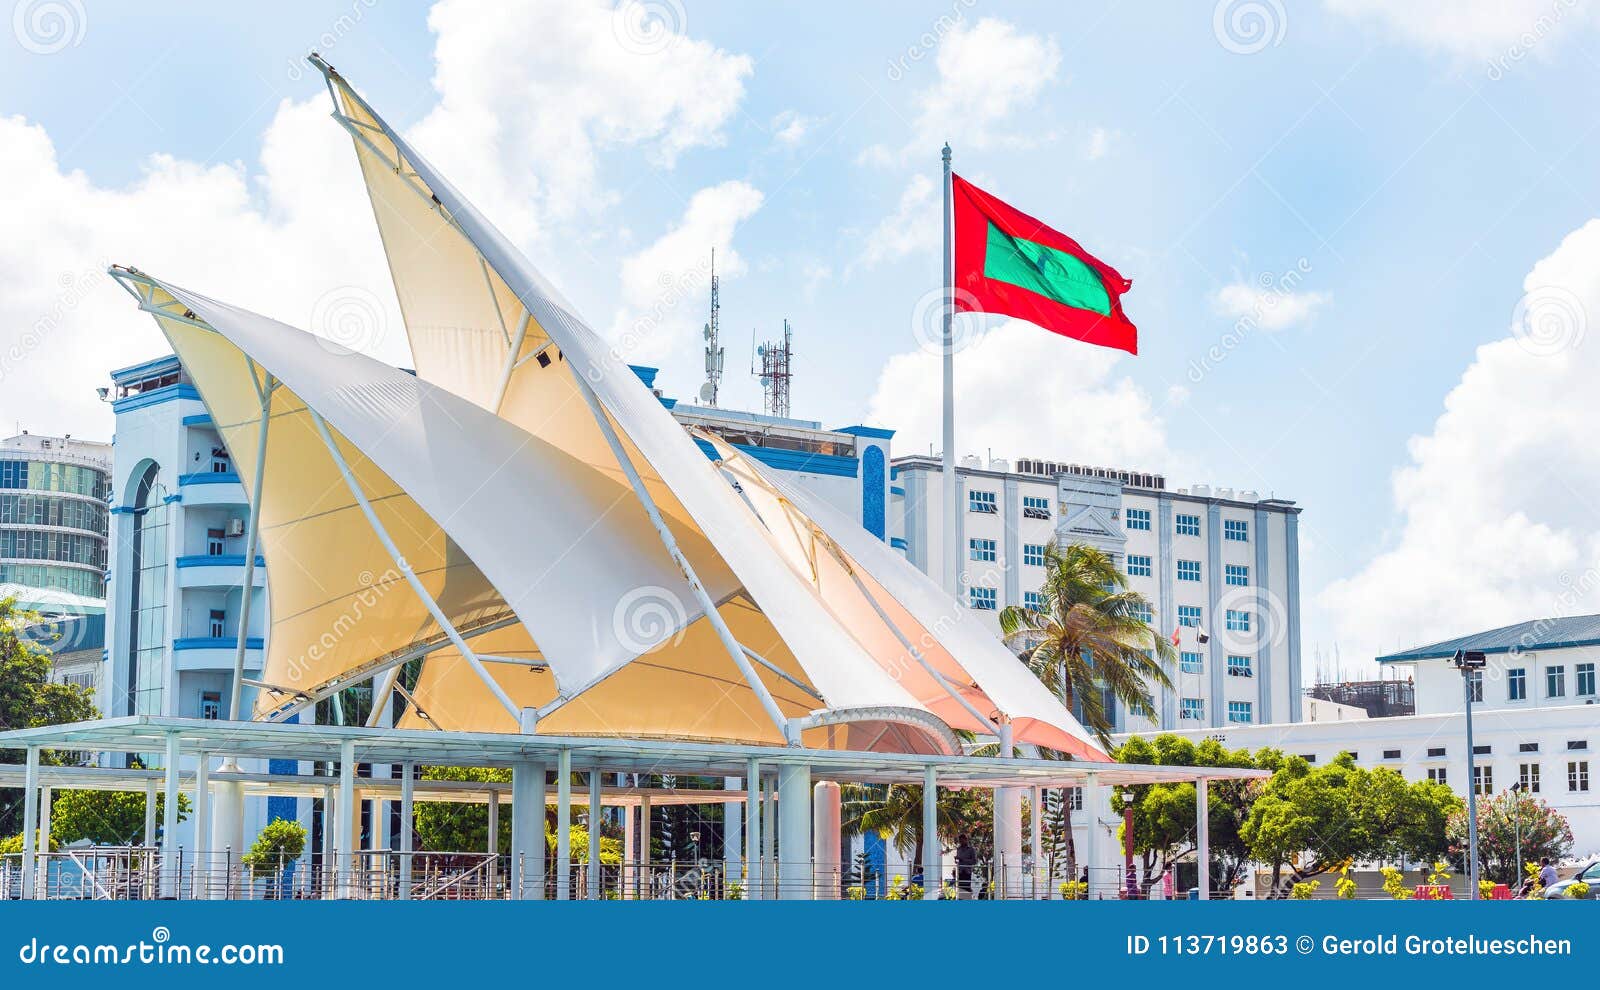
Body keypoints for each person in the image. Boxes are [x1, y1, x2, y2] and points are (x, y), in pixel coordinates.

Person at [954, 833, 978, 900]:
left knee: (967, 888)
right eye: (960, 841)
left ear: (966, 840)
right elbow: (958, 860)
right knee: (960, 888)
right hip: (960, 872)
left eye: (962, 841)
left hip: (967, 872)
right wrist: (956, 860)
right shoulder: (958, 849)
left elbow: (974, 861)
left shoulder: (971, 849)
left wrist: (963, 860)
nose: (961, 842)